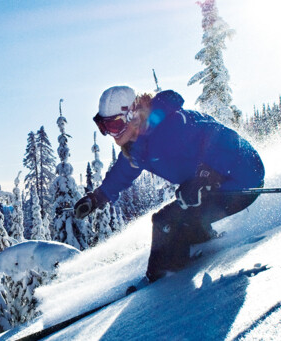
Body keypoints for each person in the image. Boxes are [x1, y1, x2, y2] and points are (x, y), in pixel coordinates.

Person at [74, 85, 265, 282]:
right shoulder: (137, 144)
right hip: (215, 186)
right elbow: (122, 173)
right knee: (174, 219)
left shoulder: (169, 125)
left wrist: (206, 174)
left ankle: (166, 280)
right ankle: (200, 248)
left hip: (241, 180)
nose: (111, 134)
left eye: (113, 126)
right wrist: (97, 198)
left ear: (132, 115)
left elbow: (220, 137)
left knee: (166, 222)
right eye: (103, 127)